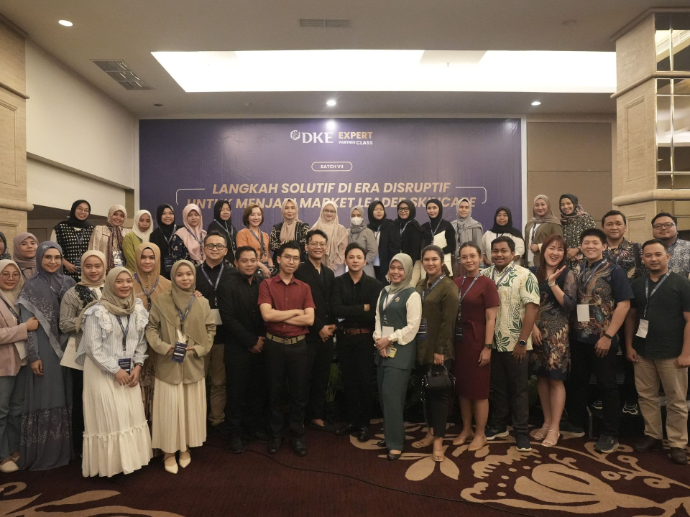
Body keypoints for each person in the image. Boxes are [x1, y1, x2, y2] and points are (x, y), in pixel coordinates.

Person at [77, 267, 152, 477]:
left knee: (128, 415)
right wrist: (115, 370)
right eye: (119, 281)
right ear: (110, 284)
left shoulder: (137, 308)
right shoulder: (97, 311)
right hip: (101, 371)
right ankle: (110, 467)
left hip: (129, 371)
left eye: (128, 281)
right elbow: (92, 348)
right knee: (110, 417)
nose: (125, 285)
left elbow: (141, 341)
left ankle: (130, 461)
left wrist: (138, 365)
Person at [563, 228, 632, 453]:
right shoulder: (580, 269)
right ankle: (576, 424)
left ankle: (610, 433)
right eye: (586, 243)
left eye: (595, 243)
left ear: (604, 246)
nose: (590, 246)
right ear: (581, 247)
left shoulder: (614, 271)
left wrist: (609, 336)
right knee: (578, 382)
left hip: (603, 338)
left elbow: (624, 305)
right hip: (579, 337)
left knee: (607, 385)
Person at [145, 260, 215, 474]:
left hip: (193, 362)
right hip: (168, 363)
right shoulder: (160, 301)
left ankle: (184, 447)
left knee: (188, 408)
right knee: (169, 408)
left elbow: (210, 329)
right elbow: (151, 329)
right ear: (173, 277)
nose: (185, 278)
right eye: (180, 275)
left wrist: (200, 349)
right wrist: (164, 347)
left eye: (189, 274)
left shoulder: (201, 302)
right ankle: (168, 451)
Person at [624, 239, 690, 465]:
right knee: (646, 396)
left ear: (667, 257)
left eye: (658, 255)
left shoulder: (681, 283)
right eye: (648, 255)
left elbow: (689, 320)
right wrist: (629, 345)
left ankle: (678, 443)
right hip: (642, 350)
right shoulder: (637, 284)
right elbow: (631, 317)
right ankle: (652, 435)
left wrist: (686, 353)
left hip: (673, 352)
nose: (653, 259)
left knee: (676, 400)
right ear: (643, 259)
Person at [17, 242, 76, 470]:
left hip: (68, 347)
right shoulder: (31, 286)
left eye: (57, 257)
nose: (53, 262)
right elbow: (28, 325)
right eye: (48, 257)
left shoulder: (69, 283)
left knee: (66, 394)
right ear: (40, 259)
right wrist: (34, 356)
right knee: (48, 395)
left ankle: (66, 450)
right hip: (44, 348)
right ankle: (45, 452)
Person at [481, 236, 540, 452]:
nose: (499, 254)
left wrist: (522, 341)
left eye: (503, 251)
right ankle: (499, 425)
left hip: (516, 342)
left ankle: (521, 432)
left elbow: (532, 309)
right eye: (495, 251)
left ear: (513, 253)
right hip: (492, 342)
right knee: (497, 387)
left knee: (518, 389)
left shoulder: (525, 275)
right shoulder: (484, 275)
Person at [258, 242, 315, 457]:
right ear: (279, 259)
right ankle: (275, 435)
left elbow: (309, 319)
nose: (292, 261)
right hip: (274, 345)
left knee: (299, 393)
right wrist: (296, 312)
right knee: (275, 392)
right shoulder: (267, 285)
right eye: (288, 257)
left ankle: (297, 435)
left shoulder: (304, 287)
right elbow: (267, 315)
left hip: (298, 346)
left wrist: (280, 315)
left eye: (296, 258)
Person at [218, 246, 268, 454]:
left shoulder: (263, 283)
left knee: (257, 391)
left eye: (252, 260)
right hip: (238, 348)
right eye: (244, 261)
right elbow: (228, 319)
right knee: (236, 393)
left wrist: (261, 340)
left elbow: (267, 314)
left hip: (261, 347)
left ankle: (252, 428)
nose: (249, 264)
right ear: (236, 263)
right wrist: (251, 341)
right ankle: (234, 433)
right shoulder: (226, 286)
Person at [529, 234, 577, 448]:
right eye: (551, 248)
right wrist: (532, 327)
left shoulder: (568, 274)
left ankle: (555, 427)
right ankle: (546, 422)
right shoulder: (533, 272)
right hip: (536, 332)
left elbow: (569, 305)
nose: (555, 252)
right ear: (543, 250)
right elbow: (527, 303)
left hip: (558, 334)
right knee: (541, 377)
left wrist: (552, 284)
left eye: (560, 249)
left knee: (556, 379)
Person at [411, 245, 458, 463]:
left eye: (434, 259)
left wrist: (440, 350)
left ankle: (439, 440)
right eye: (426, 260)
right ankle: (430, 432)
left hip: (439, 351)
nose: (430, 263)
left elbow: (449, 322)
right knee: (426, 394)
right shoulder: (421, 285)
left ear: (441, 262)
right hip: (421, 348)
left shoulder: (448, 286)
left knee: (439, 396)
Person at [332, 243, 383, 442]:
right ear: (345, 260)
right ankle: (352, 421)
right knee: (349, 381)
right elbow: (336, 309)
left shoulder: (374, 285)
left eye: (358, 257)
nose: (355, 260)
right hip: (344, 338)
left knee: (364, 382)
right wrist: (362, 307)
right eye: (351, 257)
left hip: (365, 339)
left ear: (364, 261)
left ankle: (364, 424)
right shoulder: (338, 283)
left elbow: (374, 314)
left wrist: (350, 310)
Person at [373, 253, 422, 460]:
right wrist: (378, 340)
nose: (396, 272)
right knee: (385, 397)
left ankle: (395, 444)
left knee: (392, 397)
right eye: (393, 267)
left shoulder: (412, 294)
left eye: (400, 268)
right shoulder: (384, 291)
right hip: (383, 350)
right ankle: (391, 435)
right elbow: (378, 318)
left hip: (400, 353)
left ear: (408, 271)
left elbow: (412, 327)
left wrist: (389, 339)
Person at [58, 250, 107, 455]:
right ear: (82, 268)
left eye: (97, 266)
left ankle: (106, 444)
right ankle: (83, 449)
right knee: (83, 399)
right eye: (88, 266)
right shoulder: (73, 293)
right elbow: (64, 324)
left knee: (106, 399)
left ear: (104, 267)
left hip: (109, 355)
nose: (93, 270)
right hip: (82, 355)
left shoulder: (112, 288)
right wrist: (88, 319)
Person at [452, 243, 499, 452]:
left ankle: (480, 434)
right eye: (464, 257)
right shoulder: (456, 282)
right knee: (463, 388)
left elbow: (491, 318)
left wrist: (487, 347)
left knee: (479, 390)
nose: (468, 260)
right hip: (460, 340)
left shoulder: (487, 283)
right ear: (460, 260)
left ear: (480, 258)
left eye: (472, 256)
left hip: (478, 339)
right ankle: (466, 429)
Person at [294, 230, 336, 433]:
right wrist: (319, 327)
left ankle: (316, 415)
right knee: (302, 379)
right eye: (314, 243)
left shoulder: (329, 273)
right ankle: (299, 418)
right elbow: (299, 304)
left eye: (322, 244)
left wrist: (332, 326)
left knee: (322, 377)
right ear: (307, 247)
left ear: (326, 248)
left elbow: (331, 303)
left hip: (327, 334)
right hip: (307, 333)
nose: (318, 247)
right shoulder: (300, 271)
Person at [602, 209, 643, 417]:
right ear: (603, 227)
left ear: (625, 227)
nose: (614, 227)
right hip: (602, 312)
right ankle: (601, 396)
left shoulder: (637, 249)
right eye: (609, 224)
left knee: (630, 354)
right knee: (603, 355)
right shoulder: (597, 248)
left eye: (618, 223)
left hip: (631, 310)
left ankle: (630, 399)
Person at [0, 260, 38, 473]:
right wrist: (24, 328)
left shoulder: (20, 297)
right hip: (3, 365)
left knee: (16, 409)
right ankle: (2, 455)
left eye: (15, 274)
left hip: (22, 361)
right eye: (5, 274)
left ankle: (14, 449)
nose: (11, 278)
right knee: (1, 410)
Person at [196, 231, 235, 431]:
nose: (214, 249)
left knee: (219, 381)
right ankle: (196, 421)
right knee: (197, 380)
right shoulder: (192, 272)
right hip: (198, 337)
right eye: (210, 245)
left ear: (226, 250)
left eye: (219, 246)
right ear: (203, 249)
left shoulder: (233, 273)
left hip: (223, 336)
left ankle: (217, 419)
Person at [131, 243, 171, 423]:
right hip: (134, 345)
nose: (147, 261)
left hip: (159, 346)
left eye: (151, 257)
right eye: (143, 257)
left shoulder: (168, 285)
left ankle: (158, 428)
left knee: (158, 385)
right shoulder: (126, 282)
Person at [52, 200, 94, 280]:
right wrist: (65, 263)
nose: (83, 212)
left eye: (86, 210)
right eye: (80, 209)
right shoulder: (60, 228)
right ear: (74, 209)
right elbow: (52, 249)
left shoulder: (92, 229)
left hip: (87, 273)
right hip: (65, 271)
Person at [559, 194, 596, 273]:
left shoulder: (585, 218)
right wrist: (567, 252)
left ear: (575, 204)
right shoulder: (562, 221)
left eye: (568, 203)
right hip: (566, 262)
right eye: (562, 204)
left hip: (584, 261)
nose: (565, 206)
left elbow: (593, 238)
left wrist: (577, 250)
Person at [88, 205, 131, 272]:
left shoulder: (127, 232)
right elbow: (93, 249)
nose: (118, 218)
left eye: (122, 216)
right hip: (102, 270)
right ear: (110, 214)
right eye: (115, 214)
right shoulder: (99, 229)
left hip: (123, 269)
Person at [367, 200, 400, 284]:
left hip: (385, 267)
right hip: (370, 267)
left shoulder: (390, 226)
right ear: (371, 212)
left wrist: (391, 268)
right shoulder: (367, 228)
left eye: (381, 209)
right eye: (376, 209)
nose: (379, 211)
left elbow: (394, 249)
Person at [523, 195, 562, 267]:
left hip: (545, 262)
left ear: (548, 206)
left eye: (543, 204)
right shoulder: (530, 223)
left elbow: (559, 242)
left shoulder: (554, 223)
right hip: (529, 261)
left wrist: (539, 246)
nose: (540, 208)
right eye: (536, 205)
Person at [236, 204, 273, 278]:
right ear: (247, 217)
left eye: (259, 214)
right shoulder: (242, 233)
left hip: (266, 271)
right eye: (252, 215)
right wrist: (262, 267)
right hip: (251, 270)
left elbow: (268, 256)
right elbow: (244, 256)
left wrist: (271, 269)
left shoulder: (265, 235)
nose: (256, 217)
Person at [311, 201, 348, 276]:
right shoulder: (315, 228)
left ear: (335, 213)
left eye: (332, 211)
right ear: (322, 211)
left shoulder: (341, 229)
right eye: (326, 210)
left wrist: (332, 267)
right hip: (316, 268)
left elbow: (343, 251)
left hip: (337, 269)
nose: (329, 213)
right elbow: (311, 249)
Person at [421, 199, 455, 274]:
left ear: (439, 209)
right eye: (429, 208)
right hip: (427, 265)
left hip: (444, 263)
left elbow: (452, 246)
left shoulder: (447, 225)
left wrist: (437, 254)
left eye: (434, 208)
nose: (431, 211)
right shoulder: (424, 227)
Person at [651, 212, 690, 277]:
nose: (663, 228)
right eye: (658, 226)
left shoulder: (688, 247)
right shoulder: (646, 250)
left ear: (676, 227)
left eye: (668, 225)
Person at [395, 199, 424, 287]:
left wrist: (407, 266)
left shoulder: (415, 226)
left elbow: (415, 250)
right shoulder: (395, 224)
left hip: (412, 264)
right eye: (401, 208)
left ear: (411, 210)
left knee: (409, 288)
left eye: (406, 209)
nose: (403, 211)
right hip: (397, 263)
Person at [451, 198, 483, 274]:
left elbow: (479, 247)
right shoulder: (452, 225)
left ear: (470, 209)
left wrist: (480, 265)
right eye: (461, 207)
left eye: (466, 207)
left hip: (470, 262)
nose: (464, 210)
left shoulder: (475, 226)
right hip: (455, 264)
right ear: (457, 208)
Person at [347, 206, 377, 278]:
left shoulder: (368, 232)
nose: (356, 218)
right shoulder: (347, 232)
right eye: (353, 215)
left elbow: (373, 251)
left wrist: (362, 261)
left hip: (366, 268)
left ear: (362, 217)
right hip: (350, 268)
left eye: (358, 215)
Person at [149, 204, 178, 279]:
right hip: (161, 273)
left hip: (179, 271)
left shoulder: (180, 231)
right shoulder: (154, 235)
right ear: (159, 216)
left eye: (170, 213)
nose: (168, 216)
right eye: (164, 213)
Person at [207, 200, 238, 264]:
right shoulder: (213, 226)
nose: (225, 212)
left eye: (228, 209)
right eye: (222, 210)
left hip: (234, 262)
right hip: (220, 262)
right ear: (217, 211)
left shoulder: (232, 227)